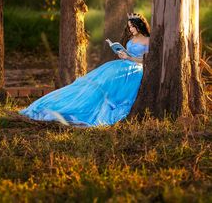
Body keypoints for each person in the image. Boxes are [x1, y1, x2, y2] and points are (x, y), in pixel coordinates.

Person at [19, 13, 150, 126]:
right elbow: (129, 54)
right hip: (122, 64)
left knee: (109, 85)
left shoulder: (147, 40)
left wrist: (130, 58)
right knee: (97, 81)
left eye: (133, 26)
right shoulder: (132, 38)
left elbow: (147, 60)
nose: (131, 29)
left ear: (140, 25)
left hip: (136, 68)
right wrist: (123, 54)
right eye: (129, 26)